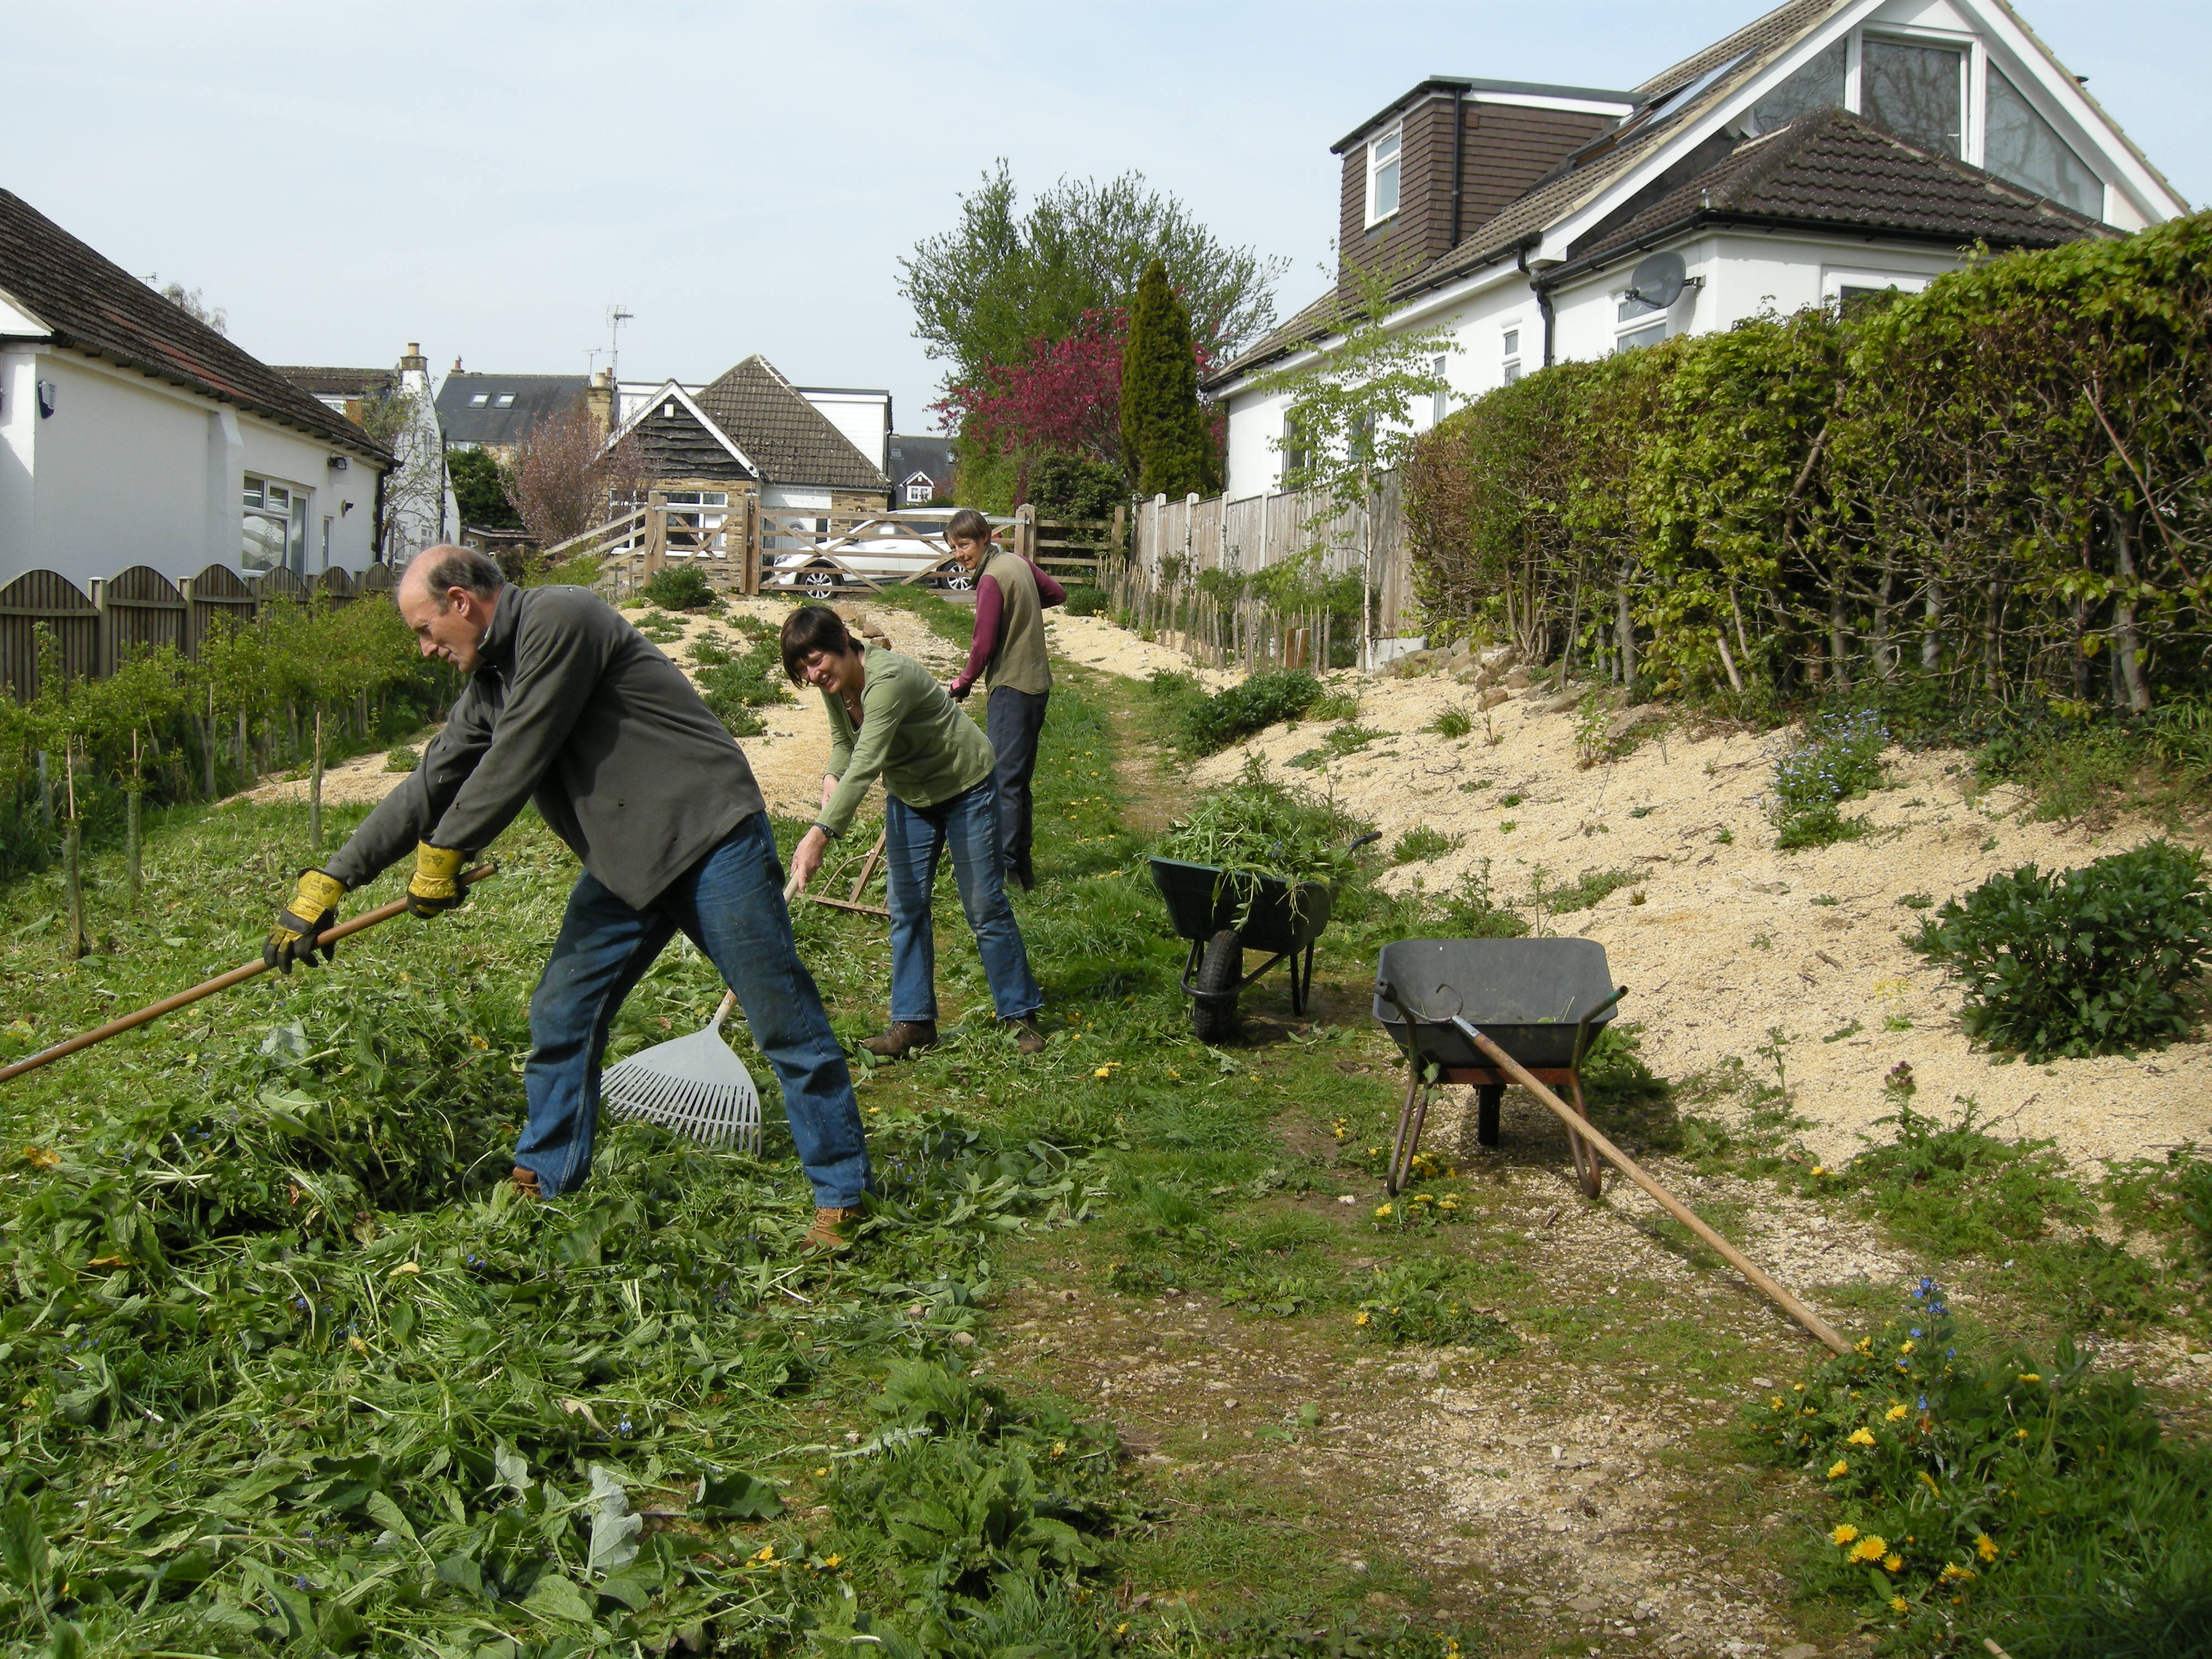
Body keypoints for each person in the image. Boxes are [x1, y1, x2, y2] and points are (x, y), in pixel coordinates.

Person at [261, 546, 871, 1250]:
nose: (425, 648)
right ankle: (546, 1174)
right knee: (562, 1011)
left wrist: (447, 849)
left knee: (781, 1018)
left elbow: (521, 751)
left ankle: (843, 1193)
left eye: (425, 630)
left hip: (708, 839)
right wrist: (332, 879)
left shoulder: (561, 618)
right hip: (625, 864)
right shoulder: (492, 682)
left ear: (461, 601)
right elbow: (429, 782)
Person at [781, 605, 1044, 1059]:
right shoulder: (838, 685)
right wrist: (830, 777)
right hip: (911, 794)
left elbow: (866, 761)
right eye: (802, 667)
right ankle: (914, 1022)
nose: (812, 674)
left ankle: (1020, 1015)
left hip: (965, 784)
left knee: (984, 905)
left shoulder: (889, 680)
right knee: (906, 908)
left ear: (844, 641)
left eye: (816, 659)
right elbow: (846, 745)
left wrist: (820, 834)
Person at [943, 509, 1063, 891]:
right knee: (1019, 779)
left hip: (1012, 687)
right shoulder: (1017, 563)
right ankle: (1023, 870)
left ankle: (1006, 869)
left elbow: (983, 645)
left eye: (965, 545)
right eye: (953, 548)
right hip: (1037, 684)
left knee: (1005, 780)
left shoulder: (992, 579)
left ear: (984, 539)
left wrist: (963, 683)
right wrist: (1021, 609)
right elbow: (1056, 593)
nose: (960, 554)